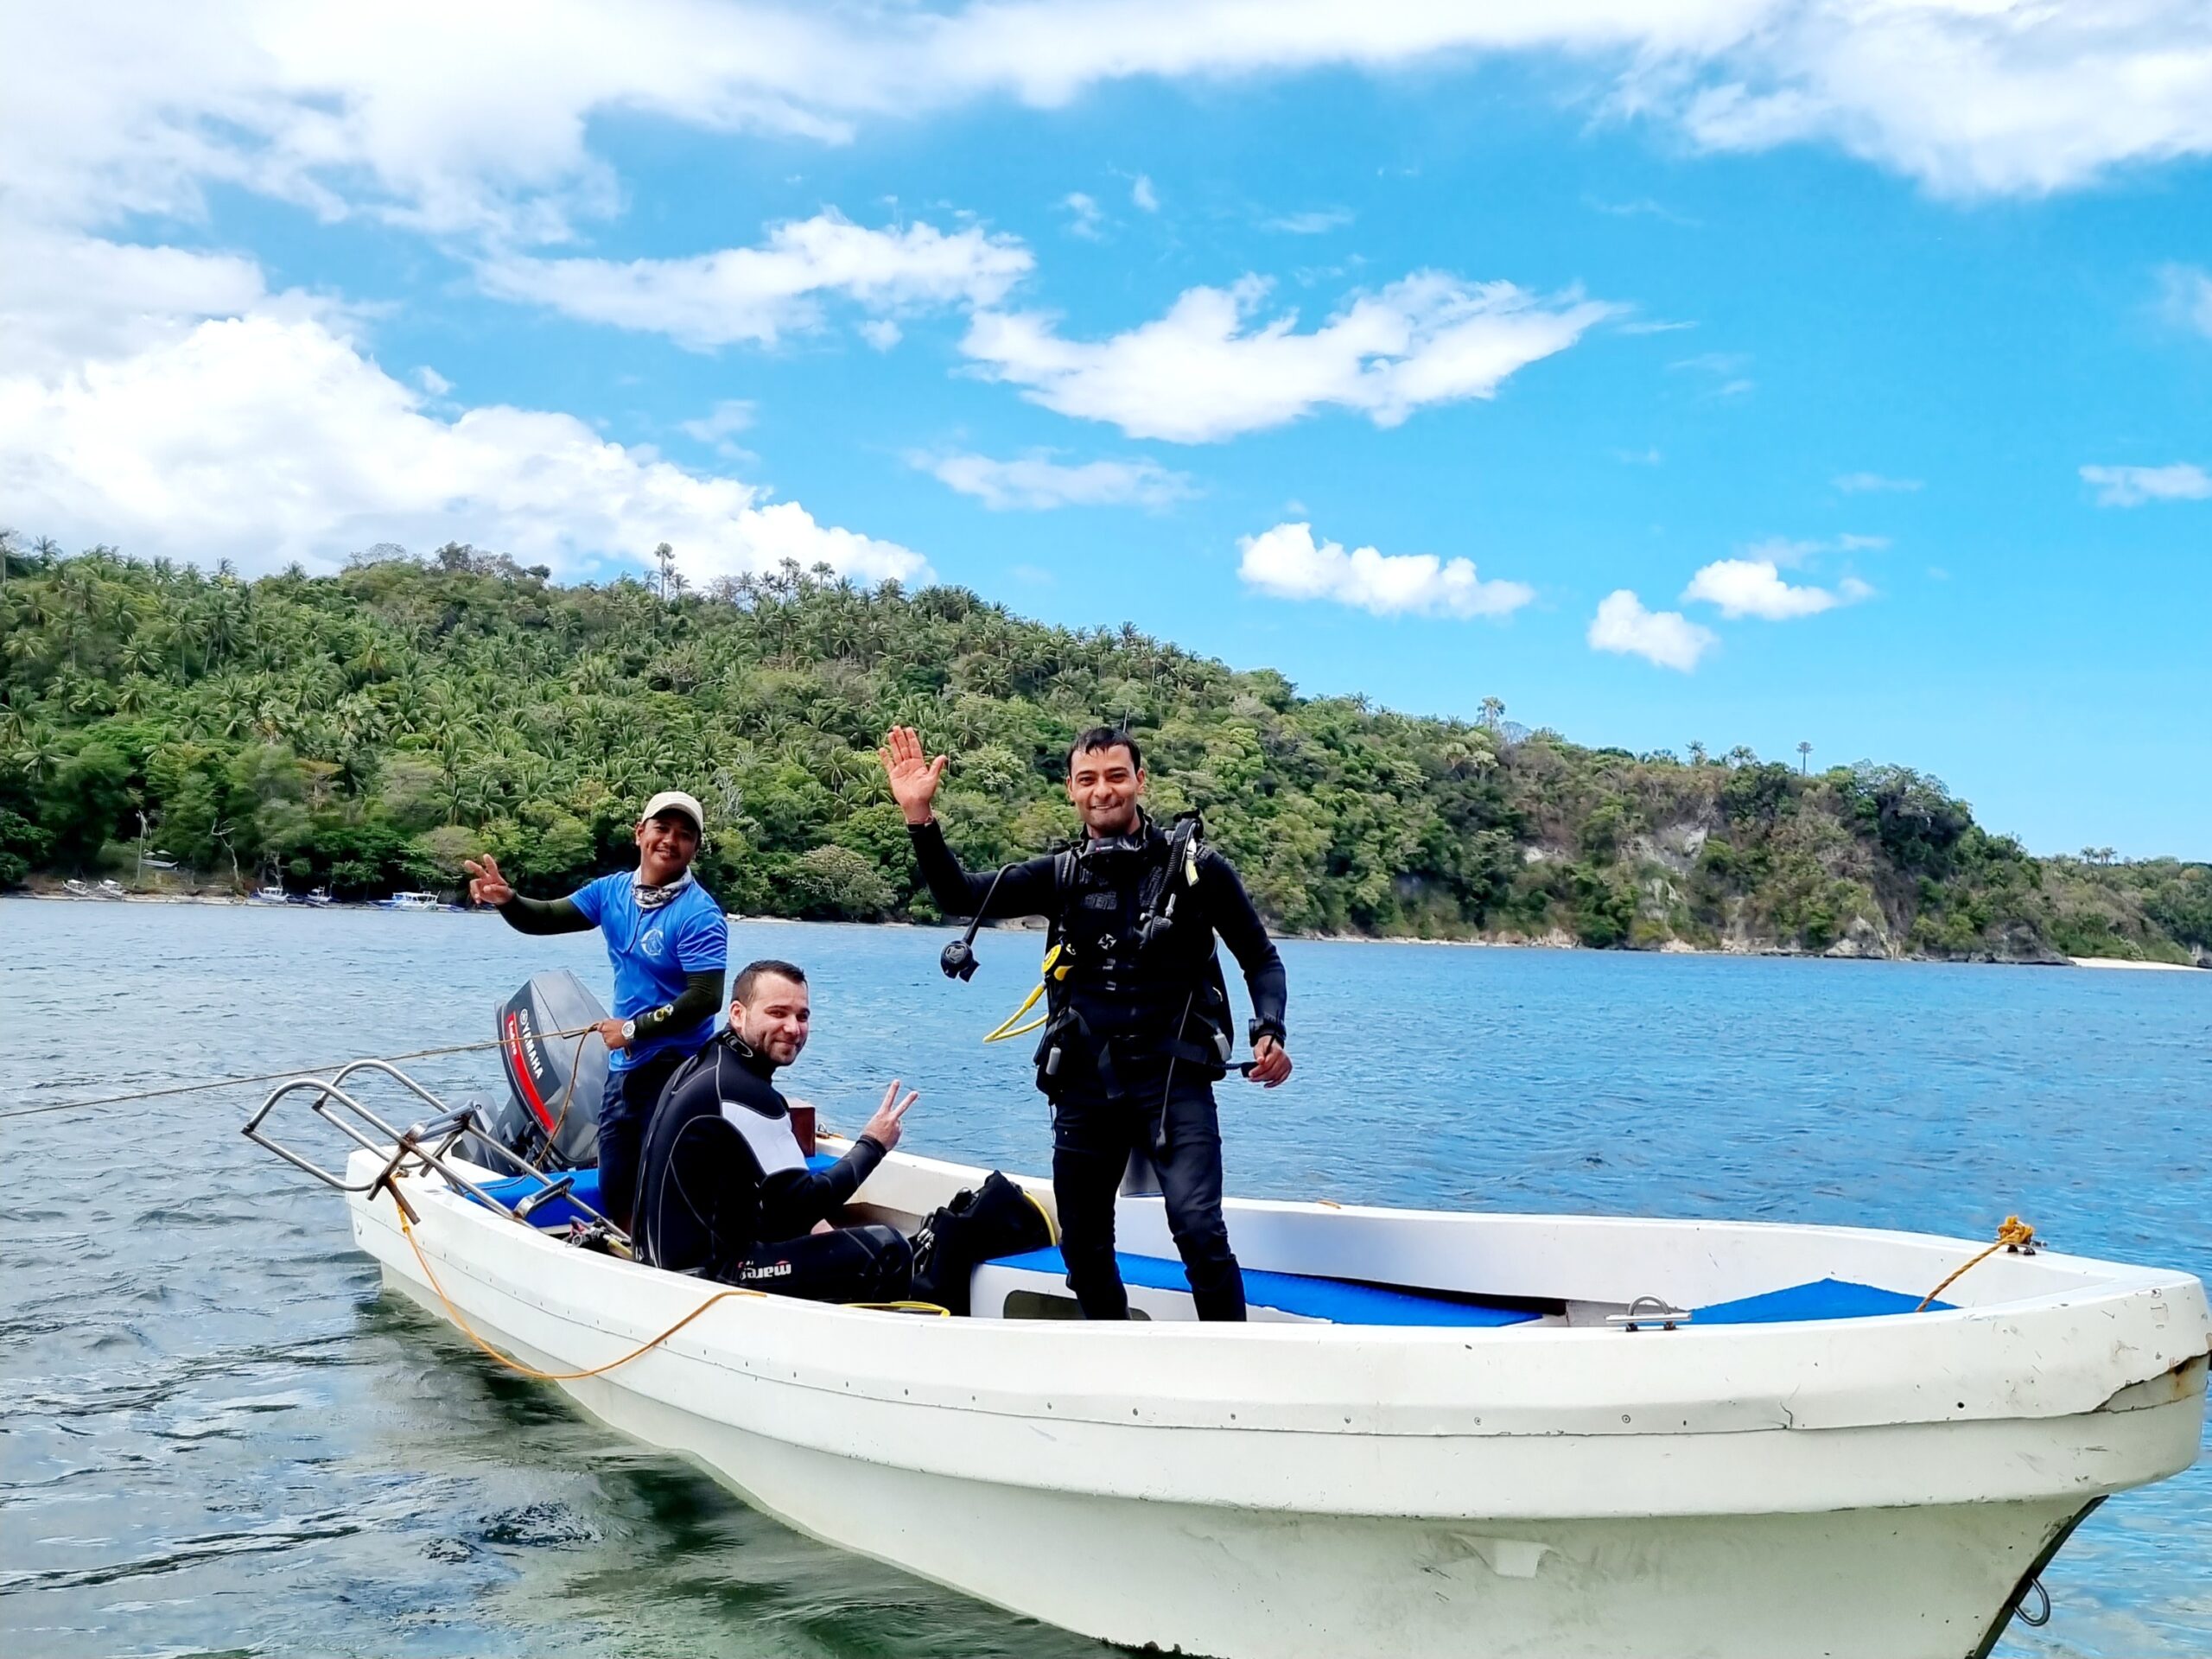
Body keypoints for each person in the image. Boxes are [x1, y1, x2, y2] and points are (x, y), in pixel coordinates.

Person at [879, 723, 1291, 1322]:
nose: (1104, 791)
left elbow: (1261, 957)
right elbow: (961, 896)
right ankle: (1114, 1350)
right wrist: (919, 815)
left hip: (1174, 1079)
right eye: (1089, 780)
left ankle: (1231, 1362)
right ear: (1070, 789)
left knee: (1200, 1230)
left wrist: (1269, 1029)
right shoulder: (1061, 875)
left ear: (1140, 781)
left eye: (1117, 776)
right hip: (1085, 1083)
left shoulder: (1198, 872)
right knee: (1084, 1248)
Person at [462, 791, 727, 1232]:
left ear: (695, 848)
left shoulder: (700, 915)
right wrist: (508, 901)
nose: (670, 840)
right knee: (616, 1177)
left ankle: (667, 1255)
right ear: (639, 833)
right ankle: (632, 1252)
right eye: (662, 828)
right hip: (626, 1061)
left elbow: (705, 998)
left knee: (664, 1174)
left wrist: (634, 1028)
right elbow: (544, 917)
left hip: (677, 1065)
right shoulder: (612, 892)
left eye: (685, 835)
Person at [633, 959, 916, 1302]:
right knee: (888, 1249)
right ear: (738, 1014)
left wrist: (816, 1230)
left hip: (662, 1264)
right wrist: (873, 1144)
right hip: (703, 1280)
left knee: (819, 1232)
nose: (793, 1028)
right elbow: (801, 1205)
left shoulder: (706, 1065)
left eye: (802, 1016)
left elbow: (783, 1203)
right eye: (777, 1013)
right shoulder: (743, 1093)